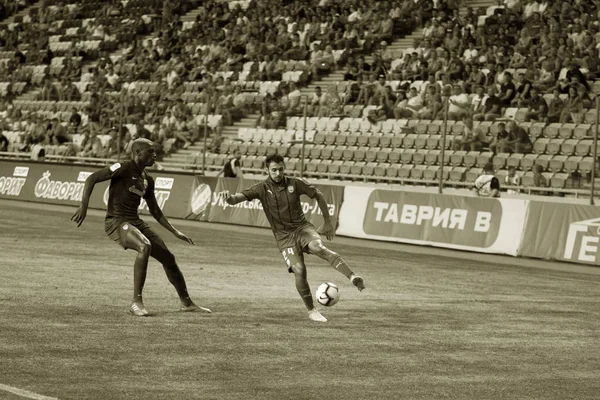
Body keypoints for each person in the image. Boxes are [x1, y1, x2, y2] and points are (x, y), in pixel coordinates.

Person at [217, 154, 365, 323]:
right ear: (267, 170)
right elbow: (236, 200)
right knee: (299, 270)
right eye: (274, 170)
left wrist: (328, 222)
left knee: (319, 248)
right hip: (283, 237)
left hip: (302, 229)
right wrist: (228, 197)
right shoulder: (261, 188)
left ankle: (353, 277)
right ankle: (312, 311)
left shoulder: (295, 183)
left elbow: (319, 196)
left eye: (280, 169)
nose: (278, 173)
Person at [71, 138, 211, 317]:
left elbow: (155, 210)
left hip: (135, 222)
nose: (154, 155)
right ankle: (136, 303)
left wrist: (175, 231)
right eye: (150, 152)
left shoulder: (147, 180)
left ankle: (187, 303)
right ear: (137, 153)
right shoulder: (122, 168)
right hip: (116, 221)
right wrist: (84, 205)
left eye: (155, 152)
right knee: (144, 246)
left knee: (169, 258)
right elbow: (92, 178)